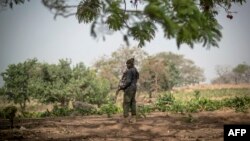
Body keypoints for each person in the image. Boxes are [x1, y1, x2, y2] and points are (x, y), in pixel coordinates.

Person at [117, 58, 139, 123]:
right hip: (134, 87)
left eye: (127, 64)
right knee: (133, 102)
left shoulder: (129, 71)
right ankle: (133, 118)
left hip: (129, 88)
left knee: (126, 103)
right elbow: (137, 78)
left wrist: (122, 87)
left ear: (130, 64)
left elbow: (128, 81)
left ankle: (126, 119)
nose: (127, 65)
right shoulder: (135, 70)